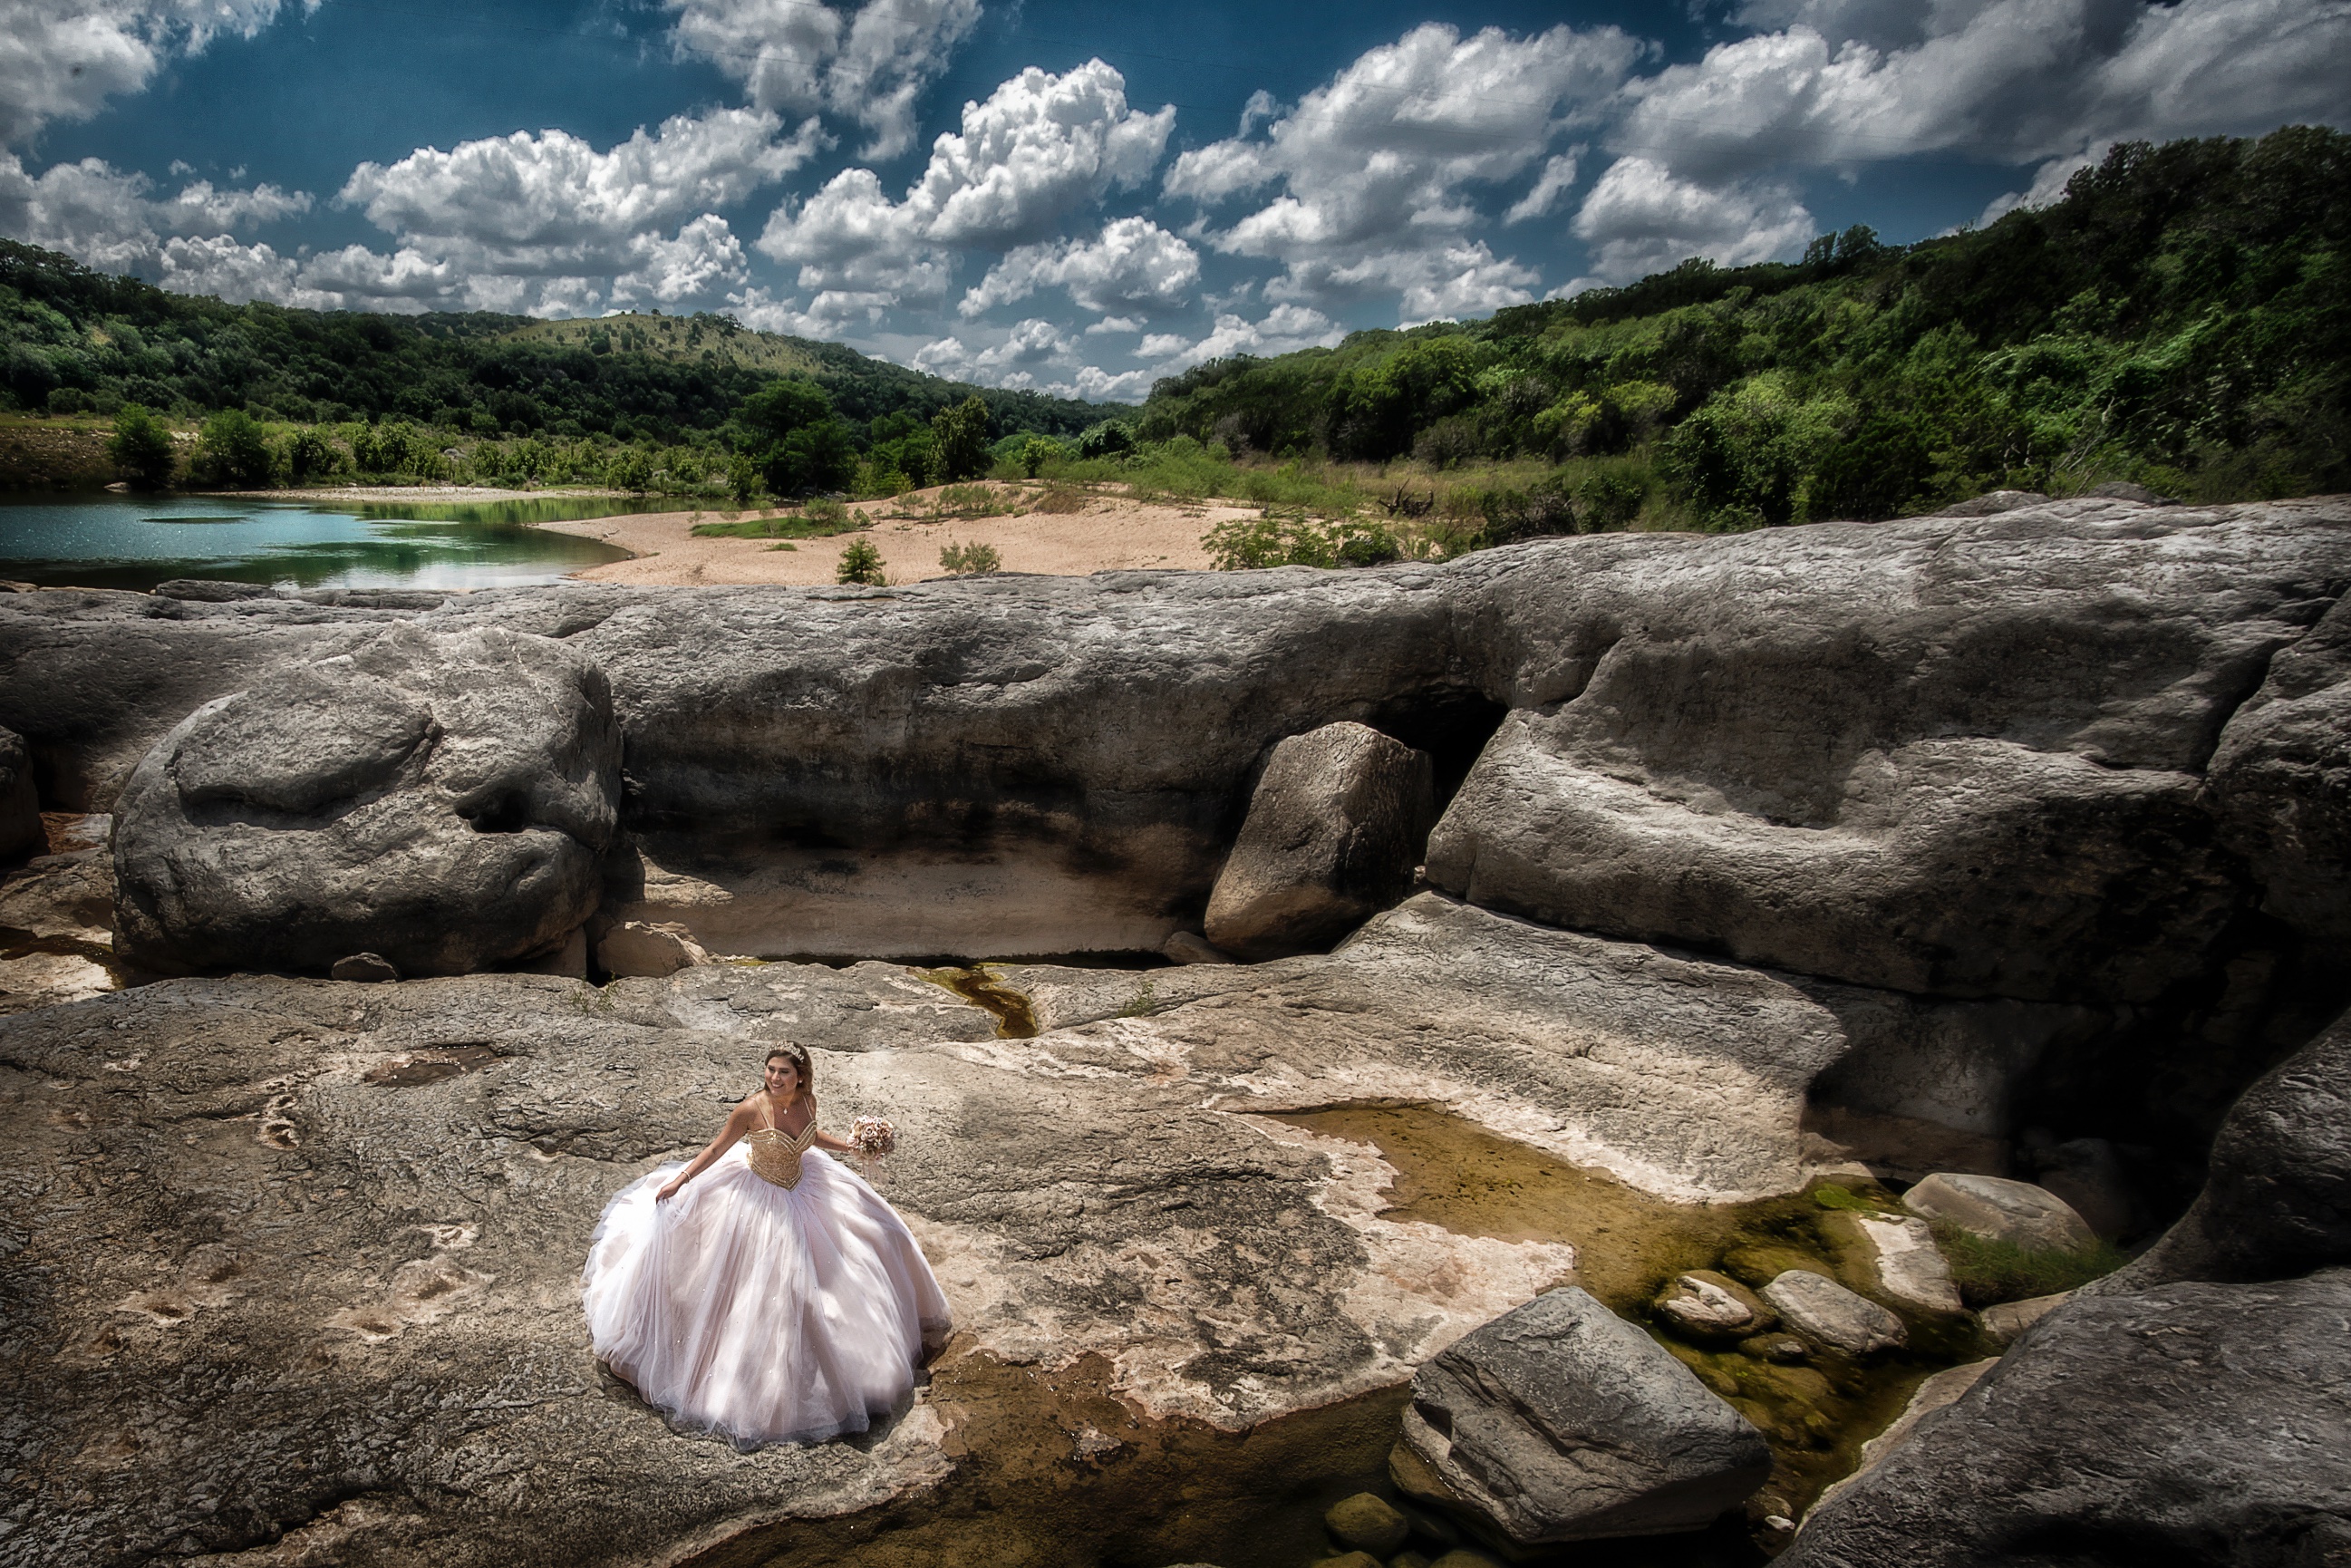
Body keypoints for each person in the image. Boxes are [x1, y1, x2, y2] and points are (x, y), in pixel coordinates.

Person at [581, 1043, 951, 1447]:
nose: (775, 1078)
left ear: (801, 1077)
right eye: (771, 1071)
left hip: (803, 1187)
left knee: (875, 1241)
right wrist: (681, 1180)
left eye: (784, 1073)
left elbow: (810, 1137)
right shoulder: (749, 1110)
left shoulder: (808, 1101)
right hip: (757, 1196)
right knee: (773, 1292)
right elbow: (716, 1149)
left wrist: (851, 1147)